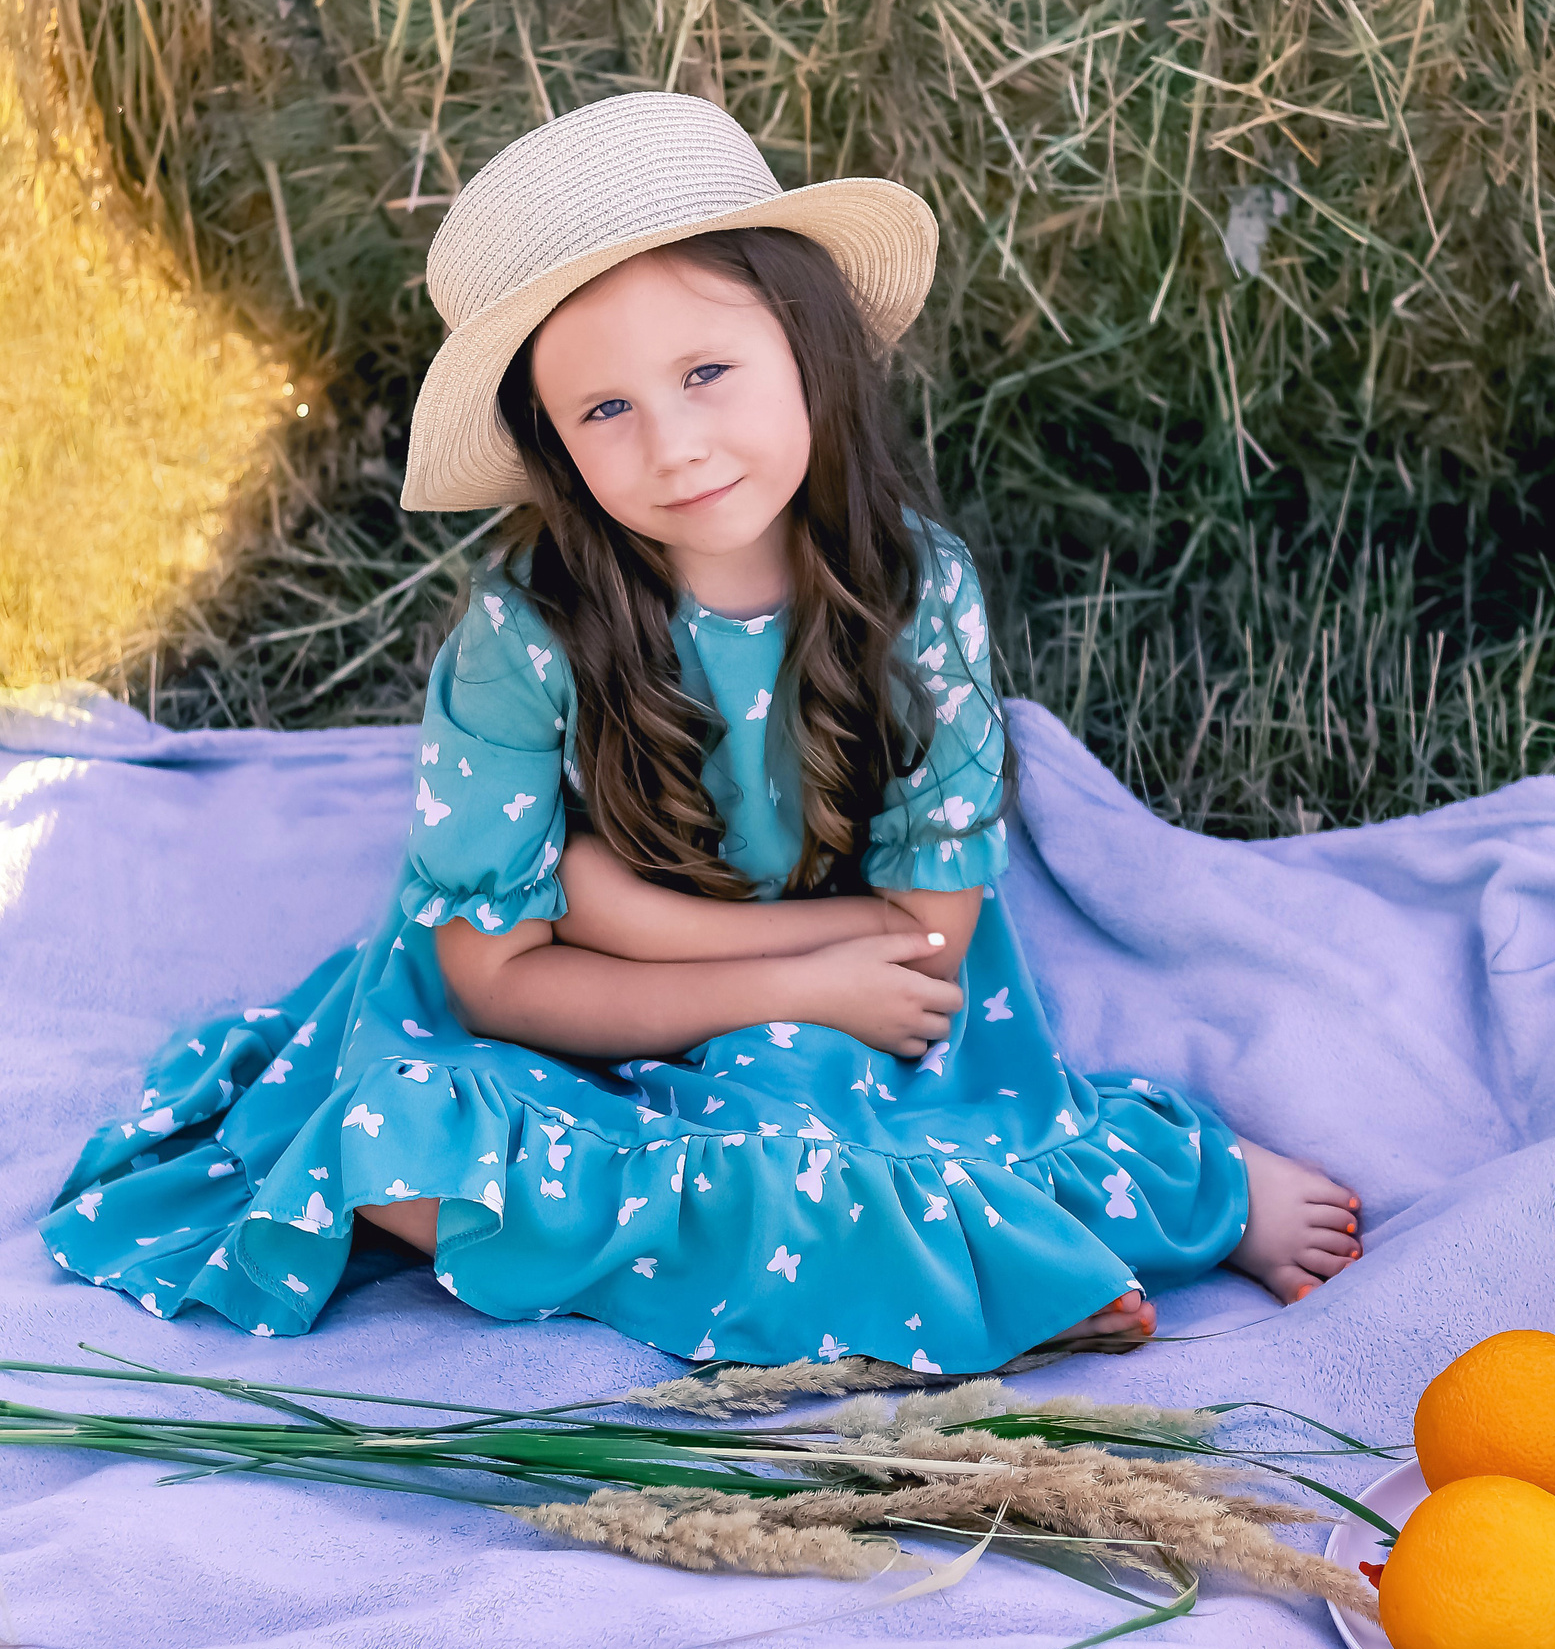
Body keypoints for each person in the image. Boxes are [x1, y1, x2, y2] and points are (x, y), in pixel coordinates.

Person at [43, 92, 1360, 1369]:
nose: (674, 444)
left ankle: (1074, 1213)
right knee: (381, 1151)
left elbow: (927, 946)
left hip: (843, 1002)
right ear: (554, 447)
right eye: (606, 410)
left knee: (830, 1104)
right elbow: (495, 980)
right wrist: (780, 966)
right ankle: (935, 1271)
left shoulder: (918, 592)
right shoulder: (521, 643)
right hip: (577, 1018)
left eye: (707, 371)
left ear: (807, 344)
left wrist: (622, 906)